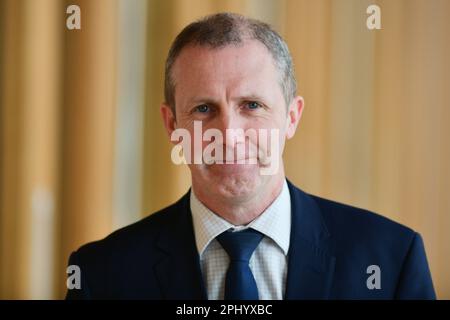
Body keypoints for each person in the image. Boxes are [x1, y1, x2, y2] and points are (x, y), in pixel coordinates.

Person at [66, 12, 435, 300]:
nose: (229, 135)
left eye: (252, 105)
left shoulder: (391, 261)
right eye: (204, 109)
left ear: (291, 117)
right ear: (171, 124)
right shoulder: (102, 275)